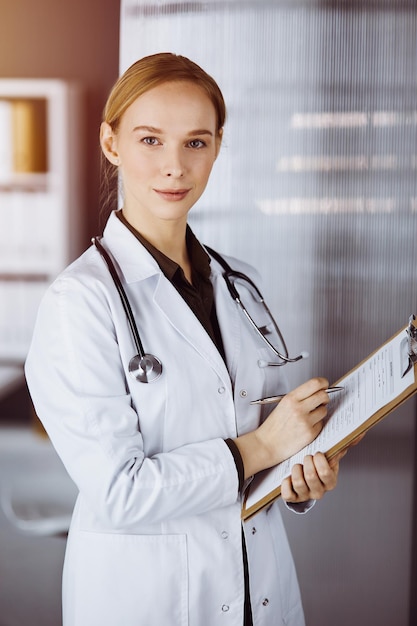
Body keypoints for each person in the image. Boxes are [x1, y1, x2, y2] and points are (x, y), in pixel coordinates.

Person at [25, 53, 346, 626]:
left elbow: (261, 440)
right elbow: (120, 491)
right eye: (150, 140)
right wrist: (268, 448)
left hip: (256, 594)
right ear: (111, 143)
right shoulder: (80, 303)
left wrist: (299, 479)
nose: (174, 166)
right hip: (148, 602)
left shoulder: (240, 284)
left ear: (218, 146)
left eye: (196, 143)